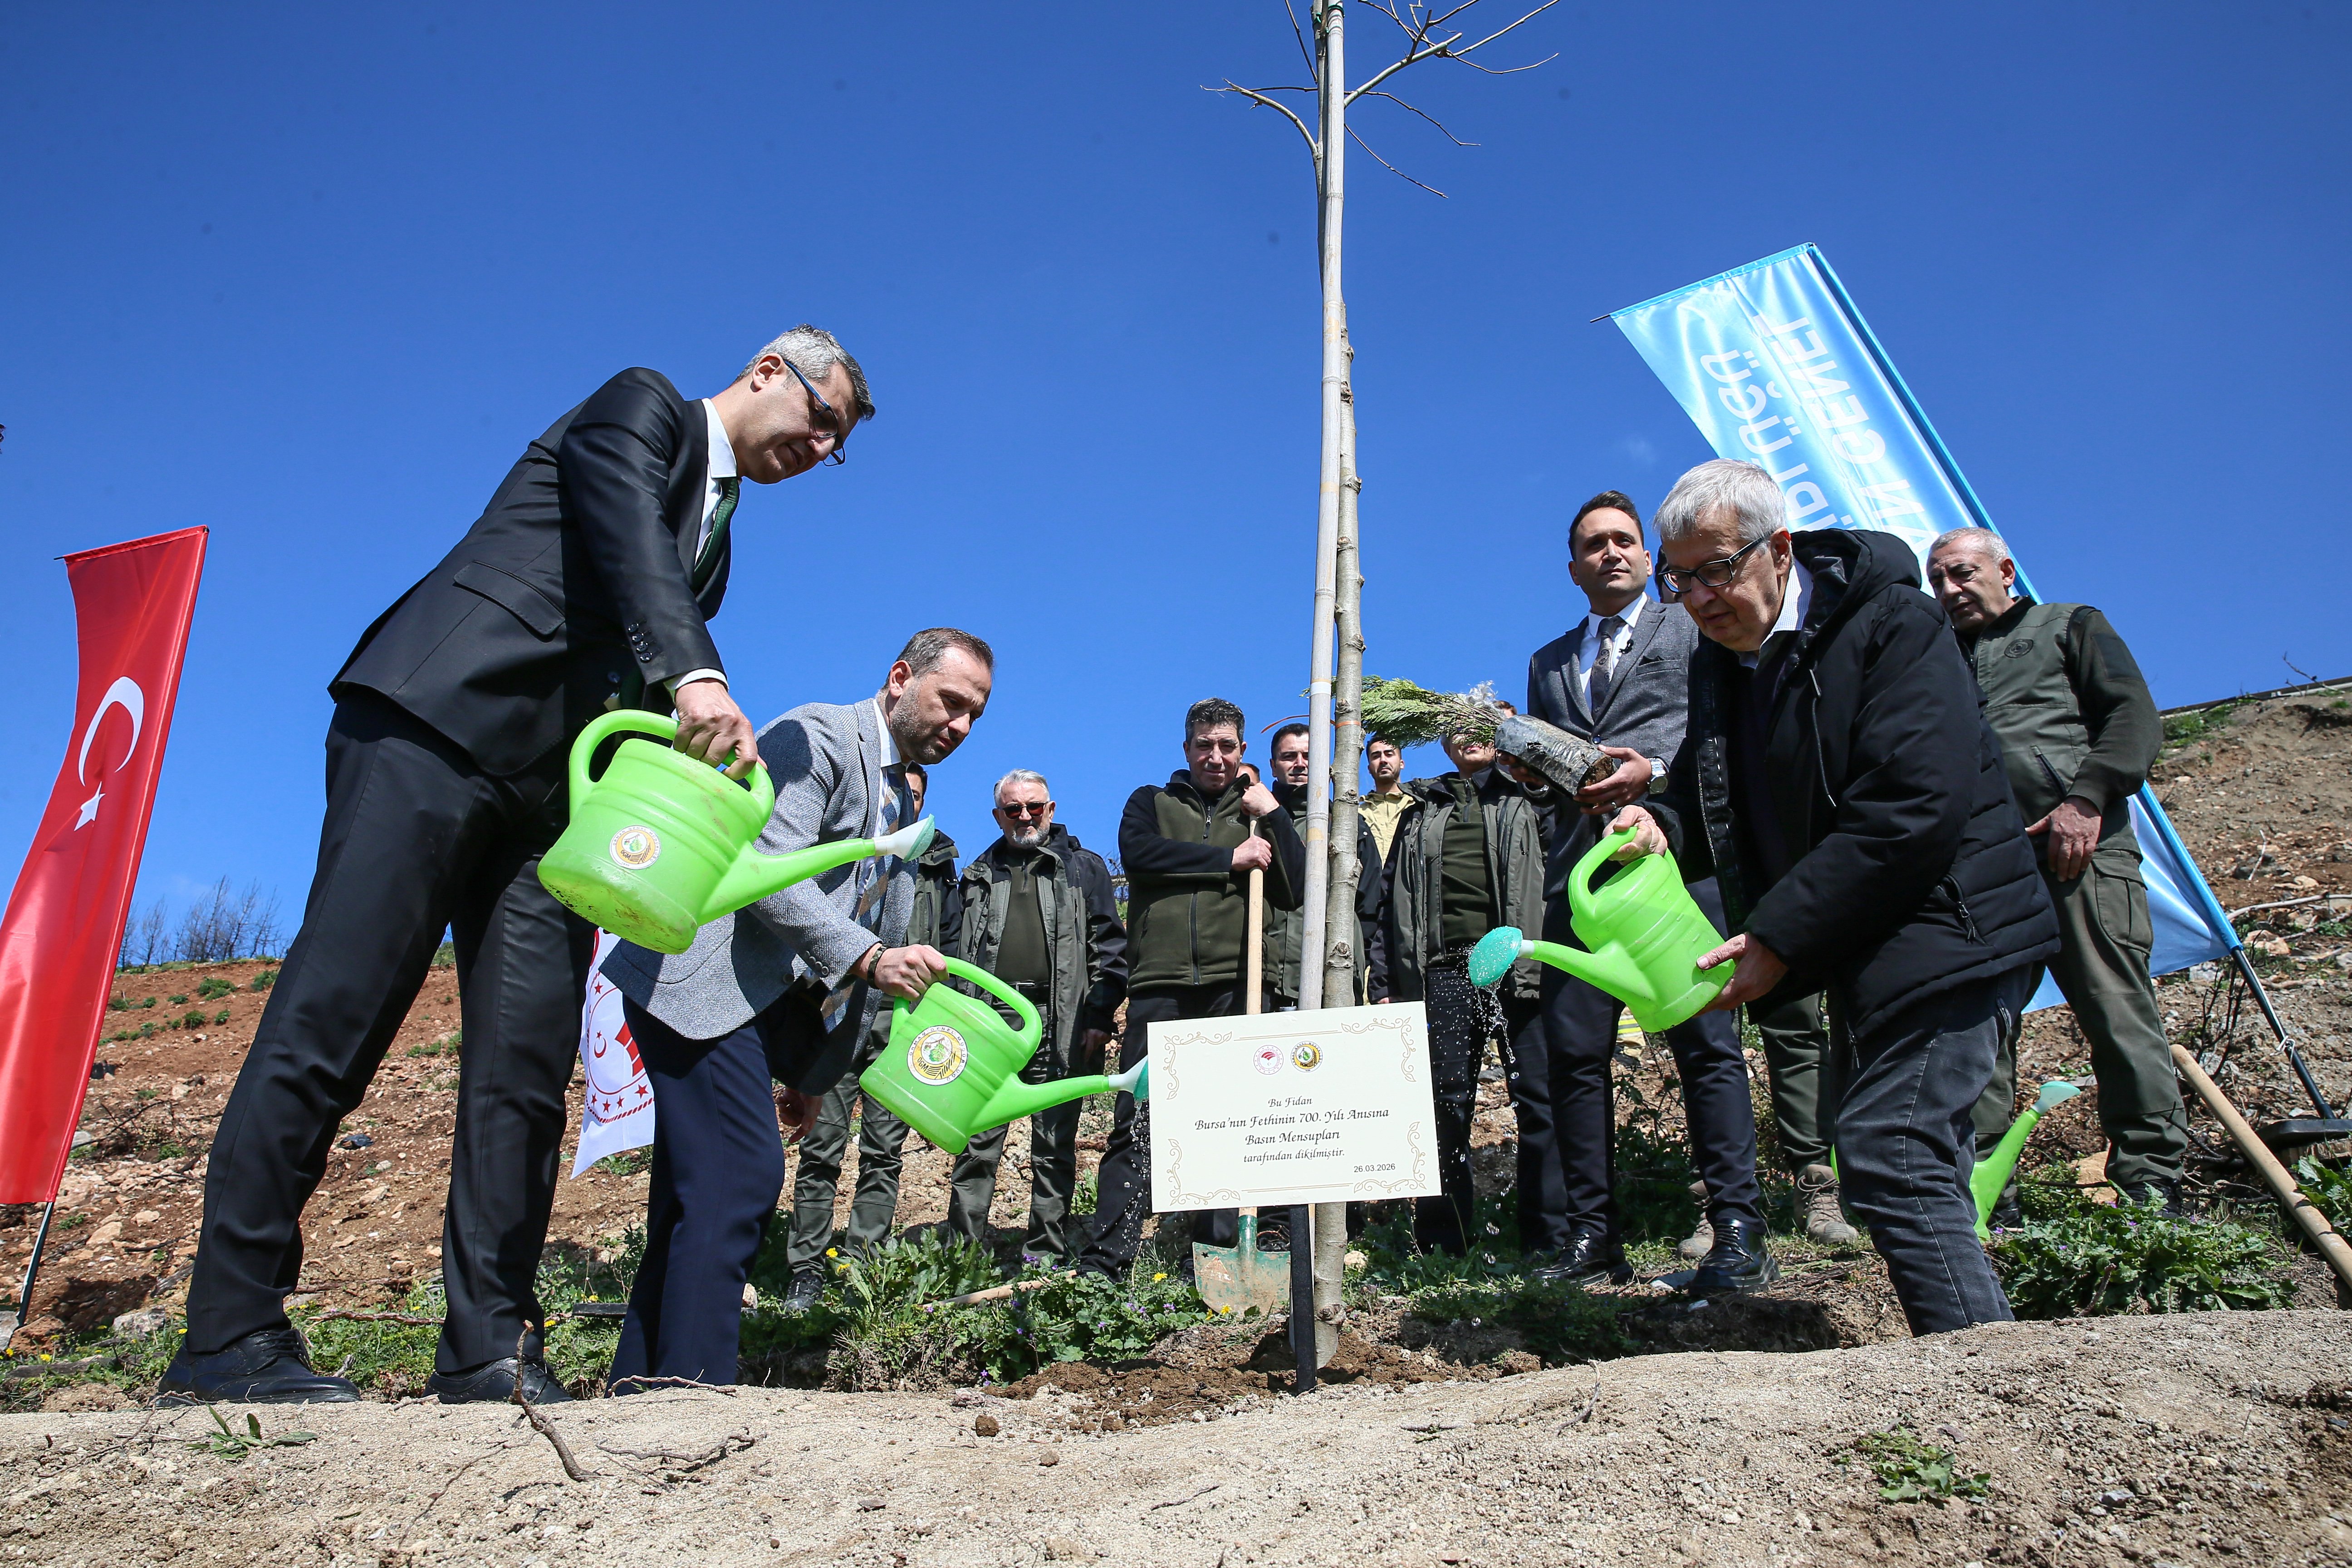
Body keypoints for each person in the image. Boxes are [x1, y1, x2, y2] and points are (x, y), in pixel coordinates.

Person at [162, 329, 872, 1405]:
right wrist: (695, 673)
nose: (819, 450)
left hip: (553, 812)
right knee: (332, 1023)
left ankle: (487, 1345)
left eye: (836, 446)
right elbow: (624, 531)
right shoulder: (642, 408)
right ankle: (227, 1333)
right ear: (768, 370)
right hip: (436, 730)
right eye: (820, 418)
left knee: (527, 1073)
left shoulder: (719, 547)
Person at [1617, 459, 2058, 1335]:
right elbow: (1722, 794)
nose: (1696, 597)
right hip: (1868, 941)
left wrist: (1777, 935)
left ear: (1778, 550)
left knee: (1891, 1151)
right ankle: (1982, 1363)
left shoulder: (1892, 624)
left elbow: (1911, 807)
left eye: (1715, 570)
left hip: (1952, 924)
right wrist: (1662, 821)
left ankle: (1985, 1379)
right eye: (1678, 578)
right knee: (1905, 1164)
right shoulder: (1726, 663)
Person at [598, 629, 993, 1388]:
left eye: (974, 714)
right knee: (739, 1176)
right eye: (951, 702)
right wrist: (870, 961)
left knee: (691, 1197)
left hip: (750, 1011)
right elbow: (767, 869)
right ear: (900, 677)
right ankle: (693, 1390)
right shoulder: (818, 735)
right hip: (694, 984)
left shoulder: (903, 790)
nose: (961, 725)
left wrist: (812, 1071)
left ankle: (640, 1389)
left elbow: (867, 911)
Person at [1518, 490, 1774, 1292]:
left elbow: (1715, 733)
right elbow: (1558, 771)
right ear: (1573, 568)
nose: (1611, 553)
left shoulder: (1689, 625)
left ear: (1646, 554)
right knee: (1573, 1058)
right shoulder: (1547, 662)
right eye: (1593, 544)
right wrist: (1533, 770)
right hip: (1580, 882)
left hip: (1675, 865)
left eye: (1623, 540)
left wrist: (1654, 778)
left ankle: (1738, 1227)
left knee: (1705, 1044)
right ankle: (1592, 1239)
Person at [1928, 526, 2185, 1215]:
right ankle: (1987, 1194)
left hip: (2080, 852)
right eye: (1938, 579)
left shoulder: (2068, 625)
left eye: (1962, 572)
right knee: (1978, 1028)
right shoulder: (1934, 659)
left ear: (2005, 570)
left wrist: (2086, 800)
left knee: (2115, 1007)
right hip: (1983, 870)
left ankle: (2151, 1184)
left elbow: (2132, 716)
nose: (1950, 589)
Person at [1076, 698, 1306, 1278]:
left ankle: (1213, 1259)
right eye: (1205, 745)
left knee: (1227, 1121)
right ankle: (1107, 1262)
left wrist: (1274, 814)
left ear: (1243, 751)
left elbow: (1296, 887)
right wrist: (1230, 858)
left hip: (1235, 983)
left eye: (1227, 746)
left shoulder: (1257, 812)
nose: (1215, 756)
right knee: (1138, 1118)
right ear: (1187, 749)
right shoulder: (1151, 802)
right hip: (1160, 983)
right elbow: (1141, 855)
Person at [778, 762, 962, 1310]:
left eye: (917, 795)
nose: (907, 800)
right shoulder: (847, 851)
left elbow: (951, 946)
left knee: (884, 1150)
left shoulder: (938, 865)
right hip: (837, 1011)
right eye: (900, 790)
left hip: (903, 1024)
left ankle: (863, 1266)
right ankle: (805, 1269)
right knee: (821, 1147)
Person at [1369, 725, 1548, 1255]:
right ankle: (1444, 1245)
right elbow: (1389, 898)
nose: (1468, 736)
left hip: (1520, 964)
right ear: (1444, 747)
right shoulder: (1422, 811)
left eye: (1480, 727)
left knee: (1537, 1097)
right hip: (1447, 970)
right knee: (1445, 1105)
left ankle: (1550, 1239)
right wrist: (1386, 981)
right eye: (1456, 731)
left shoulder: (1527, 797)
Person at [944, 769, 1129, 1265]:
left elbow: (1109, 947)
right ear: (998, 816)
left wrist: (1099, 1015)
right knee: (977, 1140)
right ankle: (961, 1257)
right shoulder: (978, 874)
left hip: (1061, 1018)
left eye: (1034, 807)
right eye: (1013, 809)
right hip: (990, 1022)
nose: (1024, 816)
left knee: (1054, 1140)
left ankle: (1045, 1254)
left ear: (1051, 809)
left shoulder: (1083, 869)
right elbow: (955, 951)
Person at [1261, 722, 1382, 1008]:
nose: (1300, 764)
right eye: (1289, 756)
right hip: (1265, 979)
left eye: (1309, 756)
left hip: (1333, 978)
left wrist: (1351, 956)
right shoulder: (1254, 824)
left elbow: (1372, 907)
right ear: (1274, 766)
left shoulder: (1349, 828)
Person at [1357, 735, 1412, 865]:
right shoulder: (1358, 813)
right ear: (1369, 768)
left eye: (1389, 754)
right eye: (1376, 756)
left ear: (1402, 763)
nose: (1383, 760)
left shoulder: (1417, 806)